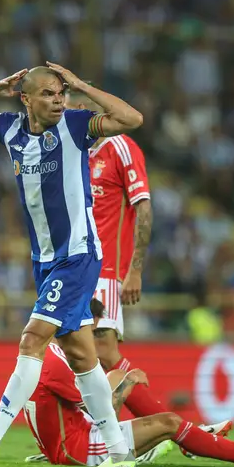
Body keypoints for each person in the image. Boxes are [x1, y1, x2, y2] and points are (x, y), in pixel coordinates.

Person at [0, 63, 144, 467]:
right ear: (25, 98)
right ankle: (120, 456)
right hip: (46, 260)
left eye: (61, 93)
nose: (58, 100)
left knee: (32, 338)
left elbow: (131, 119)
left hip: (78, 254)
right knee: (82, 355)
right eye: (49, 93)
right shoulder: (9, 129)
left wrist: (83, 83)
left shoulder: (76, 125)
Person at [22, 298, 234, 467]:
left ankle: (183, 438)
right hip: (78, 448)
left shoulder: (44, 353)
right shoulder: (57, 363)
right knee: (169, 422)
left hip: (70, 441)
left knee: (126, 391)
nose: (92, 337)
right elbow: (106, 417)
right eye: (91, 329)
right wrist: (128, 383)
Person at [63, 85, 167, 419]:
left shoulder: (120, 147)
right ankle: (152, 425)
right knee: (76, 352)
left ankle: (164, 423)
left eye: (65, 107)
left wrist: (135, 270)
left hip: (106, 270)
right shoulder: (73, 149)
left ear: (83, 108)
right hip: (73, 268)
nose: (60, 113)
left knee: (104, 353)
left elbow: (144, 208)